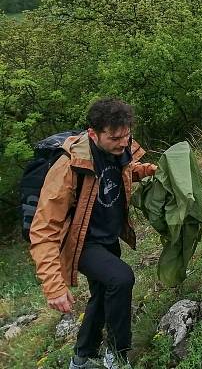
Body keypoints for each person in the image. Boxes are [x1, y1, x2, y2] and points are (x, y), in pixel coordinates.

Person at [28, 98, 158, 369]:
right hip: (83, 243)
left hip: (108, 237)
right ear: (93, 134)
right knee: (121, 279)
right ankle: (118, 356)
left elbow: (122, 172)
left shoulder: (120, 150)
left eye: (126, 135)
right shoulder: (68, 168)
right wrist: (54, 287)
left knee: (103, 293)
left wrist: (146, 171)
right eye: (114, 138)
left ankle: (81, 357)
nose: (123, 143)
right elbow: (43, 229)